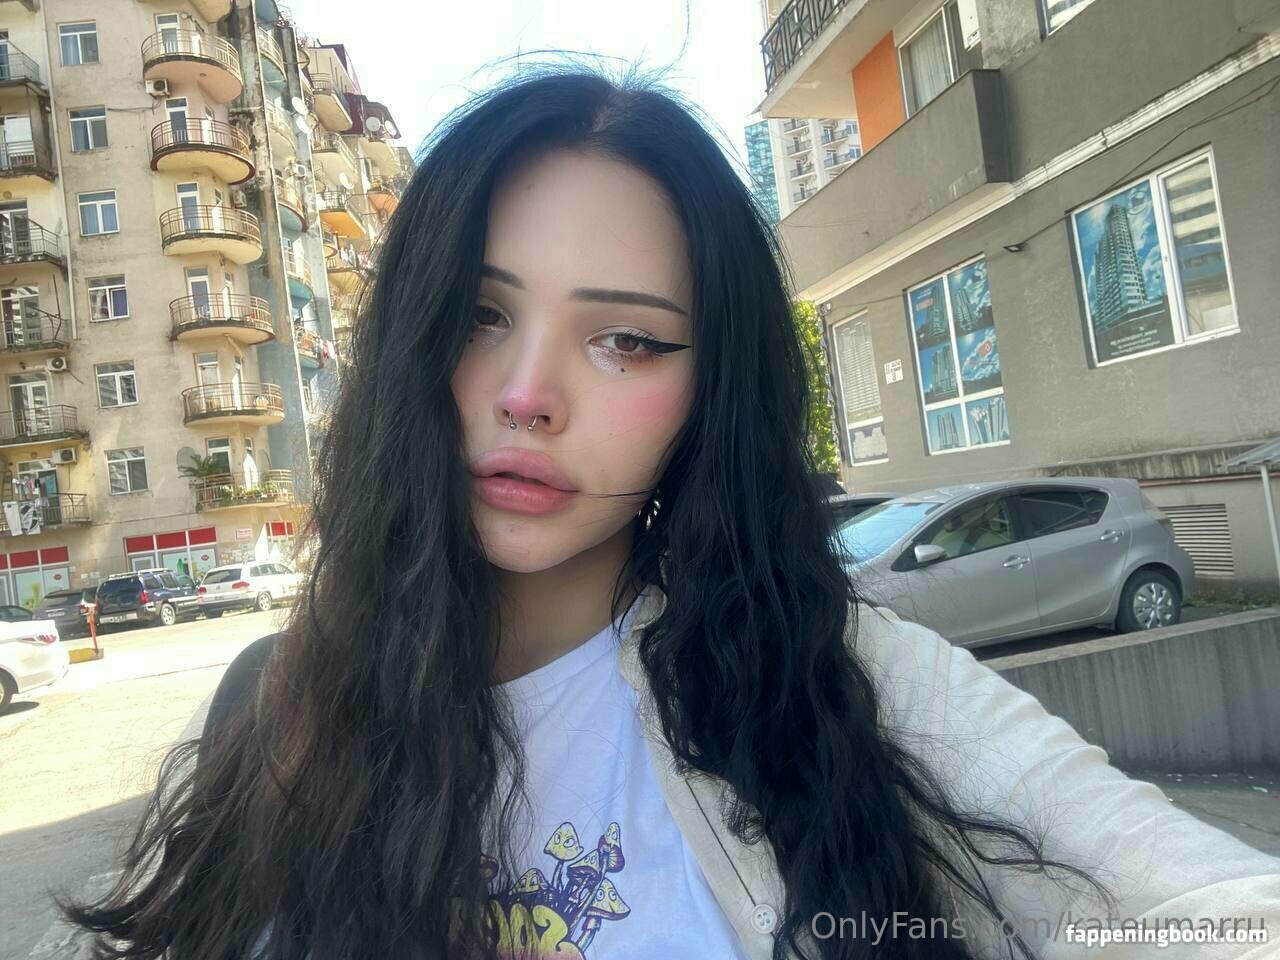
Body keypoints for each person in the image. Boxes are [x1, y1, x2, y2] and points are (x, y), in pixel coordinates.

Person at [57, 64, 1280, 960]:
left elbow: (1205, 911)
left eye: (627, 340)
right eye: (480, 315)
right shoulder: (276, 707)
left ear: (709, 395)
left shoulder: (831, 683)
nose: (527, 394)